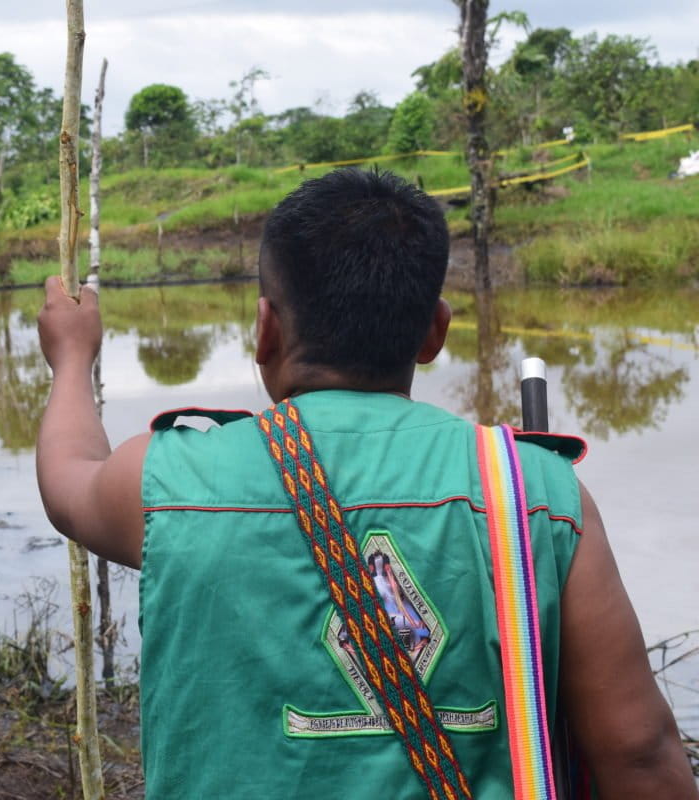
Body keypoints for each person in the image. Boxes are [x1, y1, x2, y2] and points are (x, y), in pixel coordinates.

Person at [35, 169, 696, 798]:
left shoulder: (170, 480)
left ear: (264, 328)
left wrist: (73, 358)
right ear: (435, 332)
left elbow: (68, 479)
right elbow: (638, 751)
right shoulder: (536, 493)